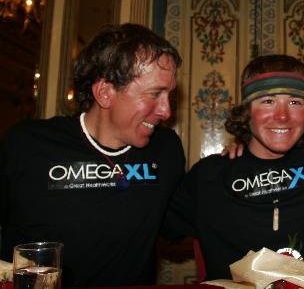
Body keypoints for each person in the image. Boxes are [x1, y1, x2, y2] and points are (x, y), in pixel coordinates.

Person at [0, 24, 186, 287]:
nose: (167, 111)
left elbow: (186, 221)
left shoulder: (165, 150)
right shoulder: (26, 145)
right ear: (105, 93)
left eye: (170, 95)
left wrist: (243, 156)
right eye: (155, 94)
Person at [163, 55, 304, 280]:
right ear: (247, 111)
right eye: (268, 101)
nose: (283, 116)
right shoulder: (210, 176)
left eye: (295, 102)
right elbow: (149, 226)